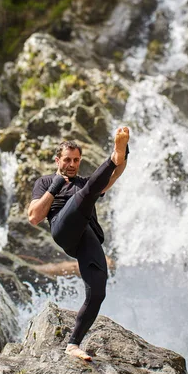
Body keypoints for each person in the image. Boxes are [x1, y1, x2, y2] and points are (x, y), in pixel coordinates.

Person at [28, 126, 130, 361]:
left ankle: (73, 344)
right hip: (63, 228)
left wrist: (122, 156)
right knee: (84, 195)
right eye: (67, 160)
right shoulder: (44, 182)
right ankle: (113, 155)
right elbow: (34, 217)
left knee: (98, 292)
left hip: (85, 235)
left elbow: (112, 176)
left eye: (76, 160)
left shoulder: (85, 182)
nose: (72, 164)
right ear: (57, 160)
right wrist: (55, 185)